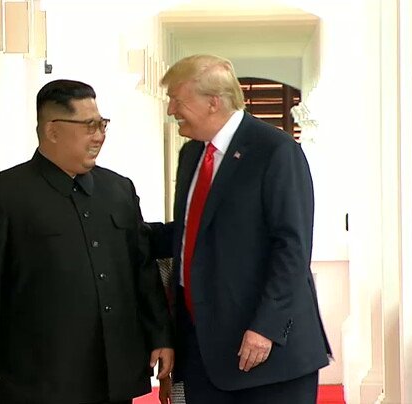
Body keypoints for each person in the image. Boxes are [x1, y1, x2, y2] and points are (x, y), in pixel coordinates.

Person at [0, 79, 174, 404]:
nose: (99, 135)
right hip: (37, 373)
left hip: (112, 368)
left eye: (102, 124)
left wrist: (161, 335)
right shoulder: (4, 194)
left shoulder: (119, 191)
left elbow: (142, 270)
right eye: (89, 126)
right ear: (53, 130)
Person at [149, 55, 331, 403]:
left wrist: (265, 327)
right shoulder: (191, 156)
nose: (171, 109)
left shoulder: (275, 151)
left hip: (265, 351)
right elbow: (192, 235)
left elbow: (291, 247)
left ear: (213, 102)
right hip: (202, 348)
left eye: (177, 99)